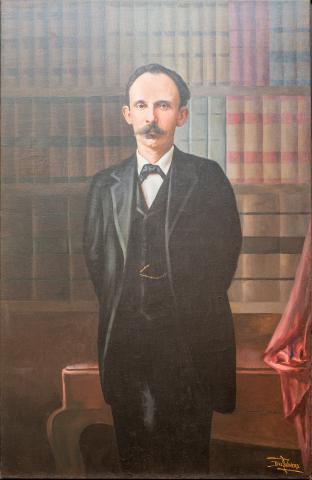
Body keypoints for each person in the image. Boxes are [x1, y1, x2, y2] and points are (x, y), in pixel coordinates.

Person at [83, 63, 242, 475]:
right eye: (141, 105)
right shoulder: (104, 186)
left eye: (163, 106)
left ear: (182, 115)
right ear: (127, 114)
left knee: (189, 461)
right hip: (127, 349)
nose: (151, 117)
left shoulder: (208, 179)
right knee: (134, 461)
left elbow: (223, 261)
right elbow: (98, 263)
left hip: (191, 350)